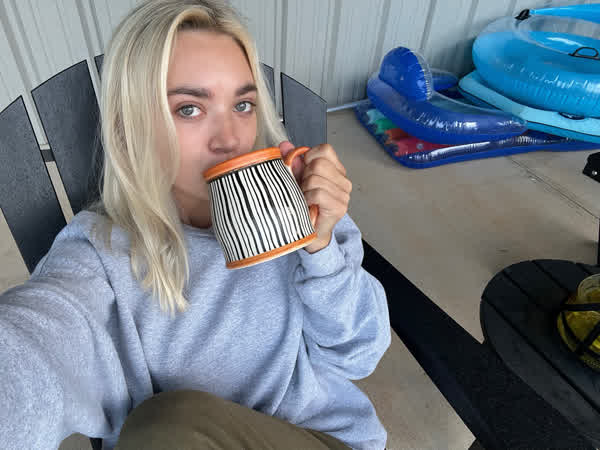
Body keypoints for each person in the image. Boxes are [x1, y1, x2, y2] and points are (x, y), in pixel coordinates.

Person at [0, 0, 391, 448]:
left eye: (243, 104)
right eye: (189, 109)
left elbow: (360, 355)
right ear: (131, 127)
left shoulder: (303, 209)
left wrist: (321, 252)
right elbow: (35, 344)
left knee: (170, 424)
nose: (231, 139)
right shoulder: (100, 254)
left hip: (317, 438)